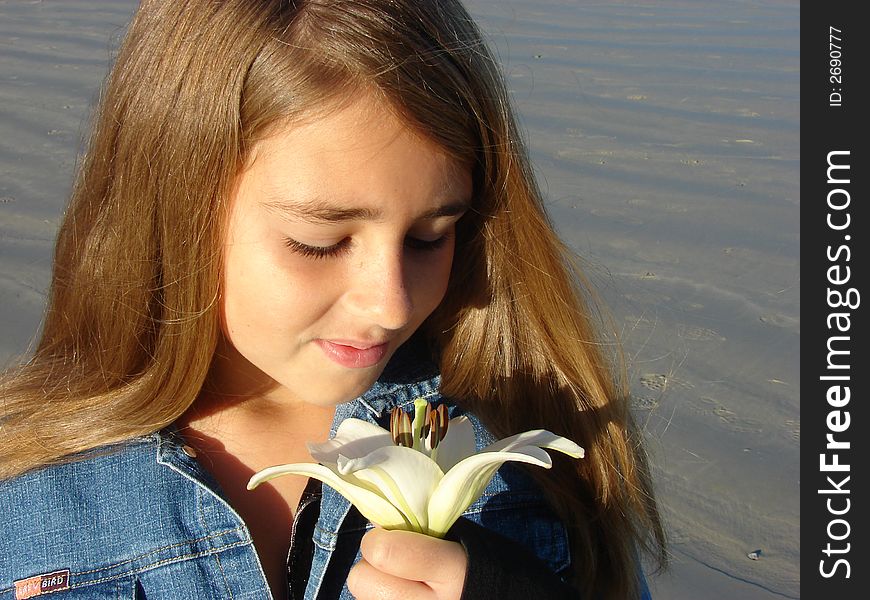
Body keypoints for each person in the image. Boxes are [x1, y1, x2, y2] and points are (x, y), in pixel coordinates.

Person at [0, 1, 666, 598]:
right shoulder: (25, 500)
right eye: (319, 243)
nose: (391, 306)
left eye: (431, 237)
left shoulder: (531, 454)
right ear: (169, 215)